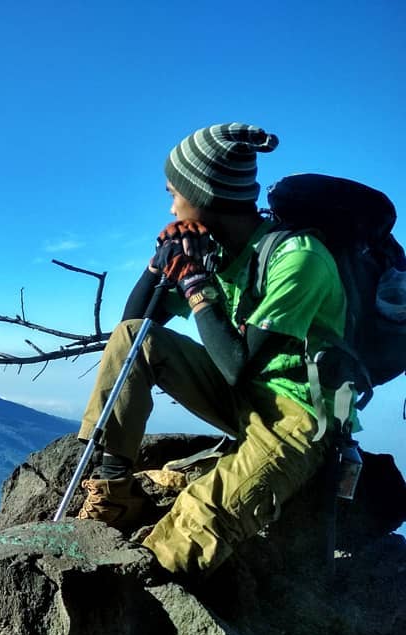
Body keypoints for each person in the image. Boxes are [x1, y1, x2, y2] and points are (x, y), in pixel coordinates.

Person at [76, 123, 350, 576]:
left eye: (173, 192)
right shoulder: (213, 249)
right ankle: (113, 494)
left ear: (202, 193)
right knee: (133, 341)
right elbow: (135, 325)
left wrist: (196, 285)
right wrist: (159, 261)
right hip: (242, 397)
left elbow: (238, 366)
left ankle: (146, 596)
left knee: (197, 521)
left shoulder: (299, 259)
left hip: (297, 414)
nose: (170, 204)